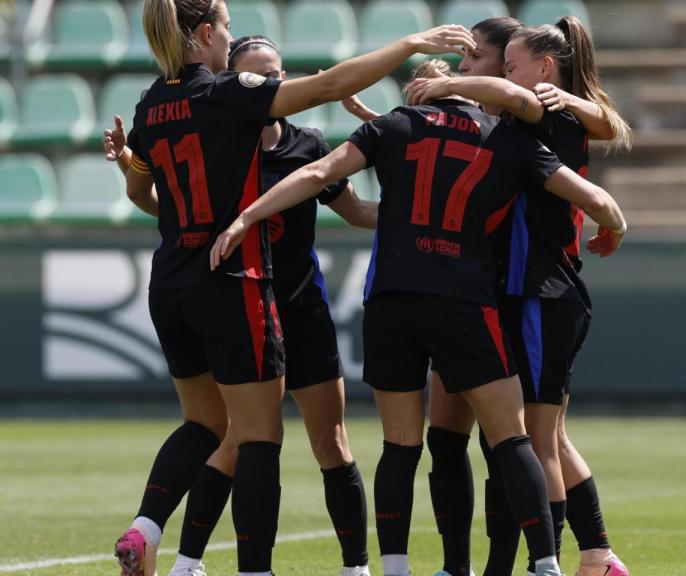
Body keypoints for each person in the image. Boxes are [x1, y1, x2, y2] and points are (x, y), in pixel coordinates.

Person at [208, 61, 627, 576]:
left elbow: (318, 173)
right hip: (463, 302)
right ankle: (546, 565)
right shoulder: (503, 138)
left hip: (391, 303)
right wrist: (615, 227)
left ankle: (397, 569)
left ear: (416, 93)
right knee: (512, 438)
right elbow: (596, 198)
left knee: (398, 447)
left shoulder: (393, 126)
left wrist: (247, 216)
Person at [112, 1, 474, 574]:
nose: (228, 40)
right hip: (232, 281)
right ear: (206, 33)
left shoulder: (150, 103)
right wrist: (409, 44)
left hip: (170, 283)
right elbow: (330, 84)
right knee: (258, 438)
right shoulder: (227, 93)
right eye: (226, 29)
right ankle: (252, 568)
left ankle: (145, 526)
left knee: (204, 425)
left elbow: (141, 195)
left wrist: (129, 162)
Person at [103, 32, 379, 576]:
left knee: (332, 440)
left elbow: (358, 213)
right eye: (257, 73)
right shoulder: (219, 141)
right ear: (234, 81)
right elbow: (173, 203)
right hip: (241, 299)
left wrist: (421, 211)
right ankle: (188, 561)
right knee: (238, 440)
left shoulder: (308, 144)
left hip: (298, 306)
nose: (271, 82)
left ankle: (357, 568)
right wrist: (132, 165)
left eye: (276, 72)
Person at [407, 16, 632, 576]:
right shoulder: (544, 112)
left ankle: (547, 564)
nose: (499, 75)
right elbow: (603, 123)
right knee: (540, 436)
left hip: (538, 290)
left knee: (534, 441)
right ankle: (596, 555)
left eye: (508, 64)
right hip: (529, 290)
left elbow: (582, 121)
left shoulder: (541, 109)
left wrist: (445, 85)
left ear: (544, 70)